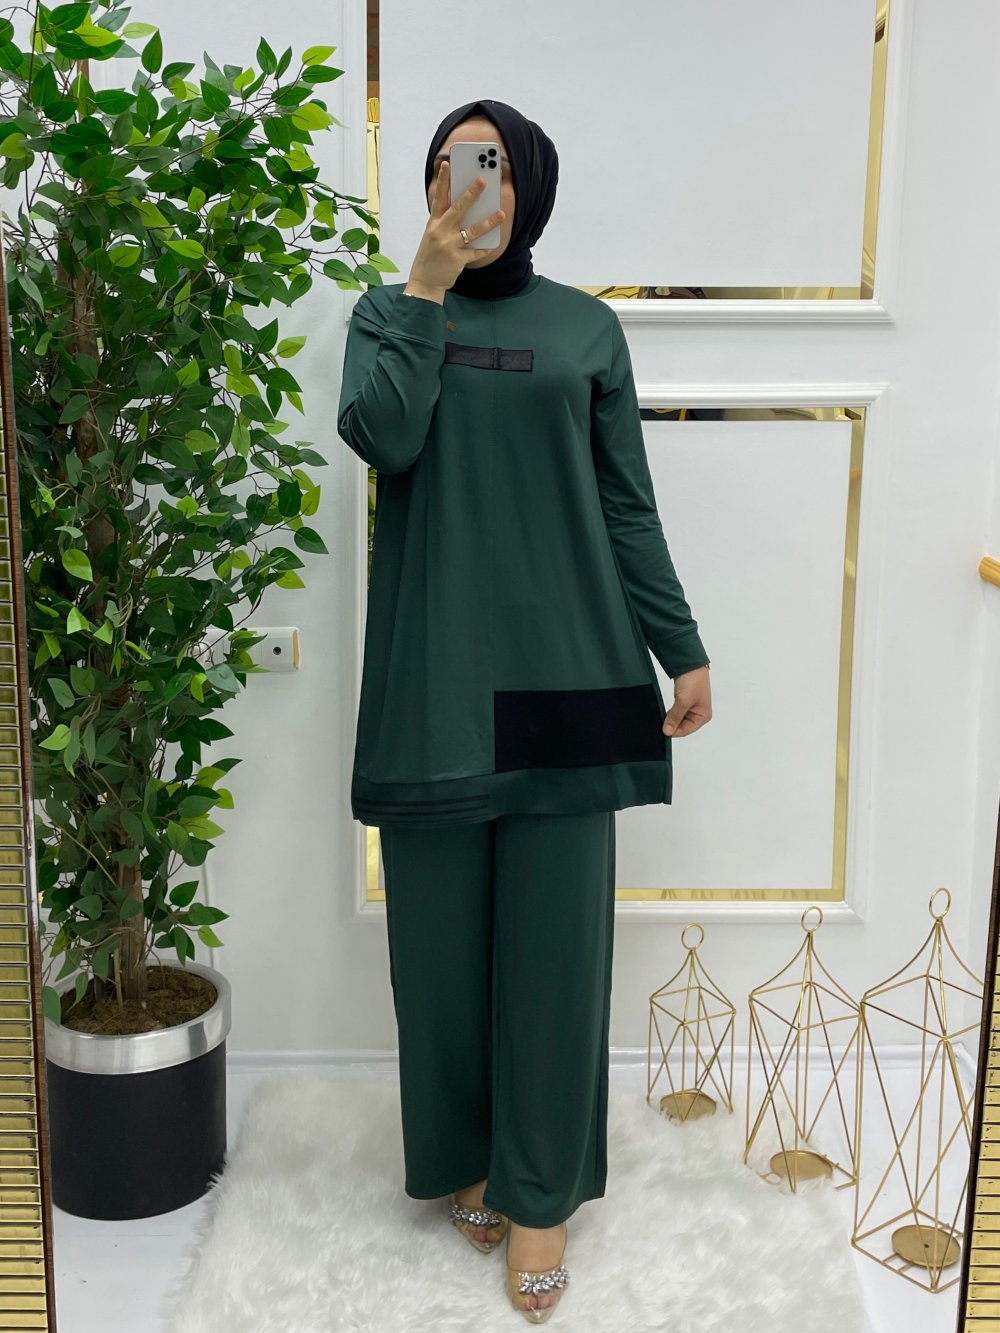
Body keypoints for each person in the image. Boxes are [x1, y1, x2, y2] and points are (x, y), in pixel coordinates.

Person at [337, 98, 712, 1323]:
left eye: (493, 166)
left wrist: (679, 646)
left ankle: (540, 1196)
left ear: (530, 185)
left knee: (554, 965)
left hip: (572, 676)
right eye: (451, 165)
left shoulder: (587, 329)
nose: (472, 186)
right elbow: (384, 439)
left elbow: (625, 503)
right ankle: (469, 1157)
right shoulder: (386, 315)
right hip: (435, 680)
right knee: (439, 962)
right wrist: (425, 290)